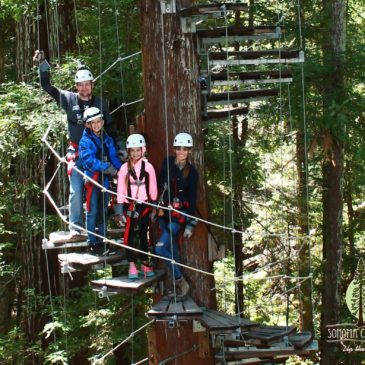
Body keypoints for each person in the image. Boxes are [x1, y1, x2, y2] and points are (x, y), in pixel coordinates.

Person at [33, 50, 113, 236]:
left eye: (87, 84)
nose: (84, 88)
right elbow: (47, 86)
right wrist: (43, 65)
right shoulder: (69, 99)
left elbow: (111, 128)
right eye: (81, 85)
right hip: (77, 153)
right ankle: (75, 227)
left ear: (92, 85)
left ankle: (101, 228)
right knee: (76, 191)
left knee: (100, 191)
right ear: (76, 86)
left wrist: (116, 150)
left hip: (97, 154)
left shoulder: (101, 104)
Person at [155, 132, 198, 297]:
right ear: (175, 149)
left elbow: (192, 199)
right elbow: (160, 183)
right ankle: (179, 287)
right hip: (163, 213)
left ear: (189, 151)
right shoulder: (167, 163)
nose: (181, 152)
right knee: (173, 251)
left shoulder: (192, 173)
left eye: (185, 149)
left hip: (179, 216)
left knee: (160, 249)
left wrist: (190, 224)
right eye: (179, 149)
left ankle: (181, 281)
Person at [78, 107, 121, 255]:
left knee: (103, 210)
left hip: (104, 180)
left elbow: (113, 156)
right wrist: (107, 167)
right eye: (92, 122)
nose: (96, 125)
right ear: (87, 125)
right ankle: (92, 242)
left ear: (102, 122)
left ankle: (103, 240)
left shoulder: (107, 139)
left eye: (98, 121)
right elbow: (89, 161)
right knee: (92, 210)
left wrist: (120, 170)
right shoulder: (85, 142)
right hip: (92, 180)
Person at [116, 134, 157, 279]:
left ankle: (145, 263)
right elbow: (120, 189)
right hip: (129, 205)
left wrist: (154, 206)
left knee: (143, 235)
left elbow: (152, 188)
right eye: (132, 150)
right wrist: (120, 211)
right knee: (129, 236)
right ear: (128, 151)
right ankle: (132, 265)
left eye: (137, 150)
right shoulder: (124, 169)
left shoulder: (148, 167)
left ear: (143, 149)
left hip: (144, 205)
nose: (135, 153)